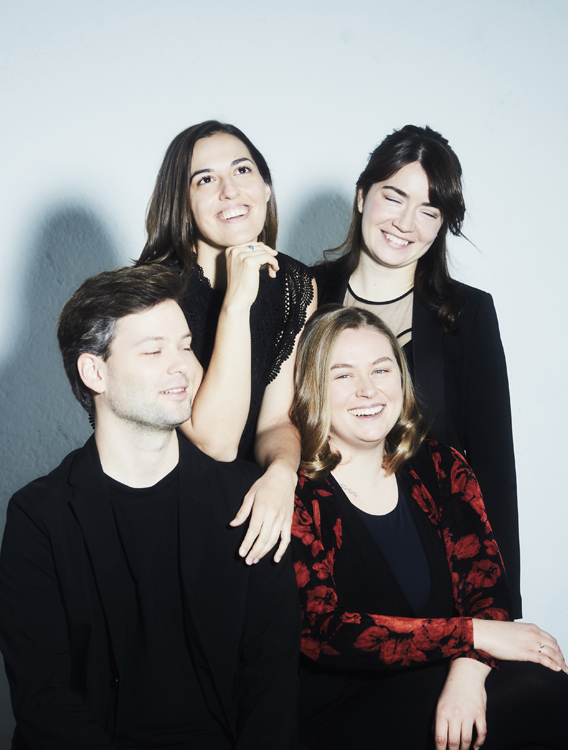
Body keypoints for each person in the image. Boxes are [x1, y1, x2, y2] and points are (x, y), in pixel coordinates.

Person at [0, 266, 300, 750]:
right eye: (153, 350)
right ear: (94, 371)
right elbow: (43, 700)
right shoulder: (39, 517)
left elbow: (273, 679)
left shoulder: (249, 496)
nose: (181, 365)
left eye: (184, 345)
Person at [290, 305, 567, 750]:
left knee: (543, 685)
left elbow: (488, 594)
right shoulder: (294, 490)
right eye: (342, 375)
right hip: (343, 709)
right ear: (311, 388)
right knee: (535, 694)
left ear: (401, 379)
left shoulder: (439, 465)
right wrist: (476, 635)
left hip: (440, 678)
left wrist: (467, 672)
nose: (367, 390)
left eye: (381, 370)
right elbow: (324, 632)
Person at [314, 125, 521, 617]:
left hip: (438, 569)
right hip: (329, 563)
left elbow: (493, 466)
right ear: (363, 196)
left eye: (429, 210)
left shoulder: (468, 314)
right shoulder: (303, 295)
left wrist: (502, 613)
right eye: (394, 197)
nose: (406, 223)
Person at [138, 120, 317, 566]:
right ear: (182, 203)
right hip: (165, 507)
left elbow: (275, 420)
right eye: (205, 179)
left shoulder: (296, 284)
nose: (229, 191)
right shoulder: (151, 293)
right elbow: (216, 442)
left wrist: (281, 473)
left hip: (248, 498)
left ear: (266, 186)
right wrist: (237, 303)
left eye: (242, 171)